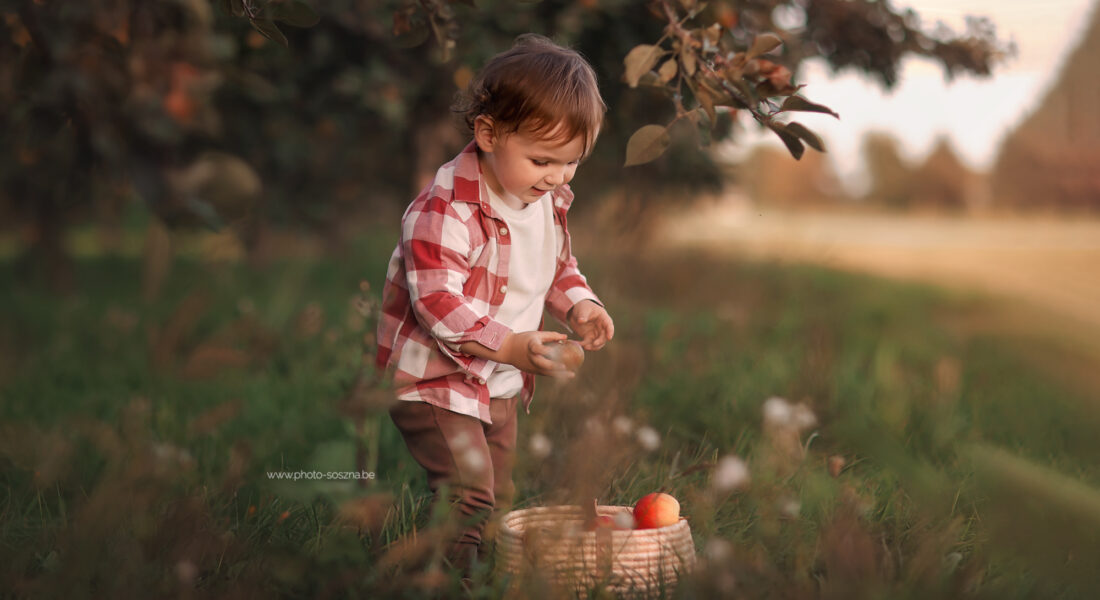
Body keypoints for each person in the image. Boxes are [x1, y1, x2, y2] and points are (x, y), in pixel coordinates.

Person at [375, 33, 615, 579]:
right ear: (487, 134)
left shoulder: (546, 200)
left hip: (500, 379)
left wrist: (579, 304)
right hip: (436, 380)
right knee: (468, 495)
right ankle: (446, 580)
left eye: (571, 163)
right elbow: (438, 304)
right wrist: (511, 346)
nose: (557, 177)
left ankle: (479, 573)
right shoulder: (445, 211)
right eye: (542, 160)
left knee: (497, 496)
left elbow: (555, 267)